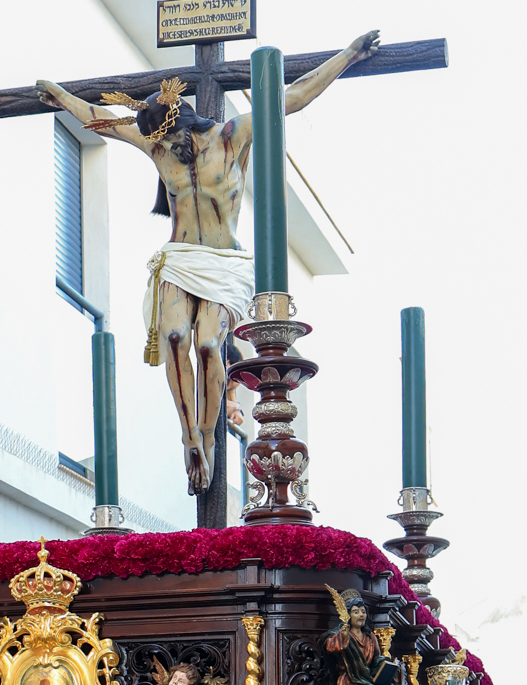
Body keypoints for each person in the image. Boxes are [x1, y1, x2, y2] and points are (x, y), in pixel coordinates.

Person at [36, 31, 378, 496]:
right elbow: (103, 122)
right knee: (176, 337)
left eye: (168, 137)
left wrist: (349, 55)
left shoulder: (232, 137)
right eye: (157, 141)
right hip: (179, 260)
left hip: (224, 266)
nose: (163, 147)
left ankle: (210, 436)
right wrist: (60, 96)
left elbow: (294, 97)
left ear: (185, 124)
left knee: (208, 347)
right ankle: (189, 438)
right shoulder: (158, 146)